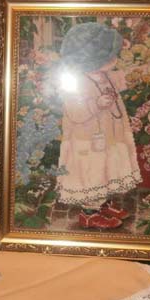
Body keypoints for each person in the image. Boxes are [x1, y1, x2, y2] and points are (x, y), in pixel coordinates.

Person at [56, 22, 141, 229]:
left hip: (109, 139)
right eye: (110, 56)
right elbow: (75, 113)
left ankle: (102, 204)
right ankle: (89, 213)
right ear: (92, 59)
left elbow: (128, 77)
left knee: (105, 171)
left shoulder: (106, 76)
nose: (115, 59)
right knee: (92, 174)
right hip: (88, 142)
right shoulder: (76, 82)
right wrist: (97, 104)